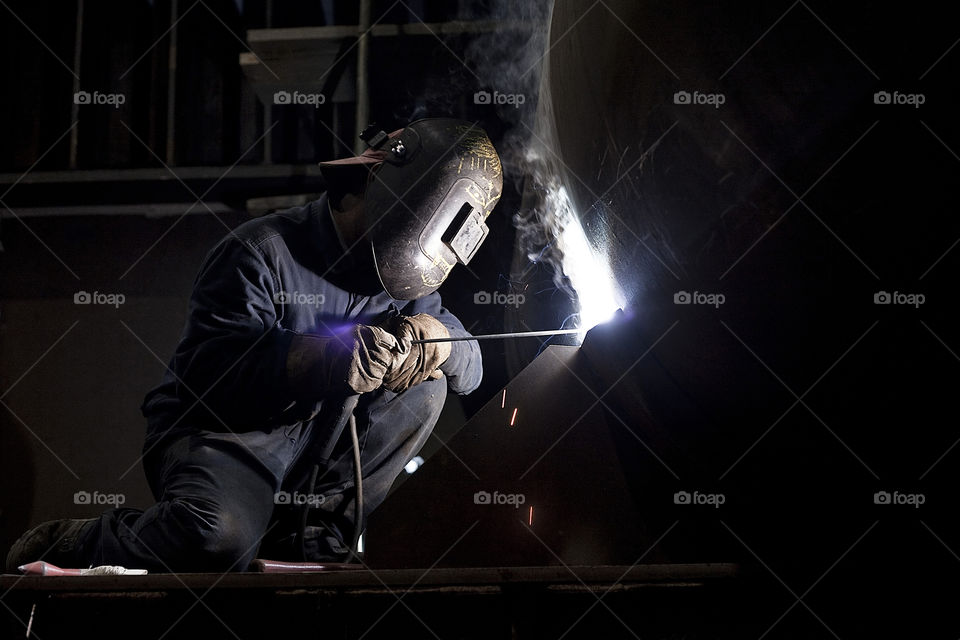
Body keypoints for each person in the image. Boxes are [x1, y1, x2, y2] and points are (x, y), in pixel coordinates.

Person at [6, 118, 503, 573]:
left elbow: (474, 367)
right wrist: (323, 359)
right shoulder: (260, 251)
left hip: (315, 458)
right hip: (230, 438)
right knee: (216, 542)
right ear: (376, 190)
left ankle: (316, 535)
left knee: (429, 386)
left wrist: (442, 343)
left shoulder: (404, 281)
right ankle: (76, 542)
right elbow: (211, 375)